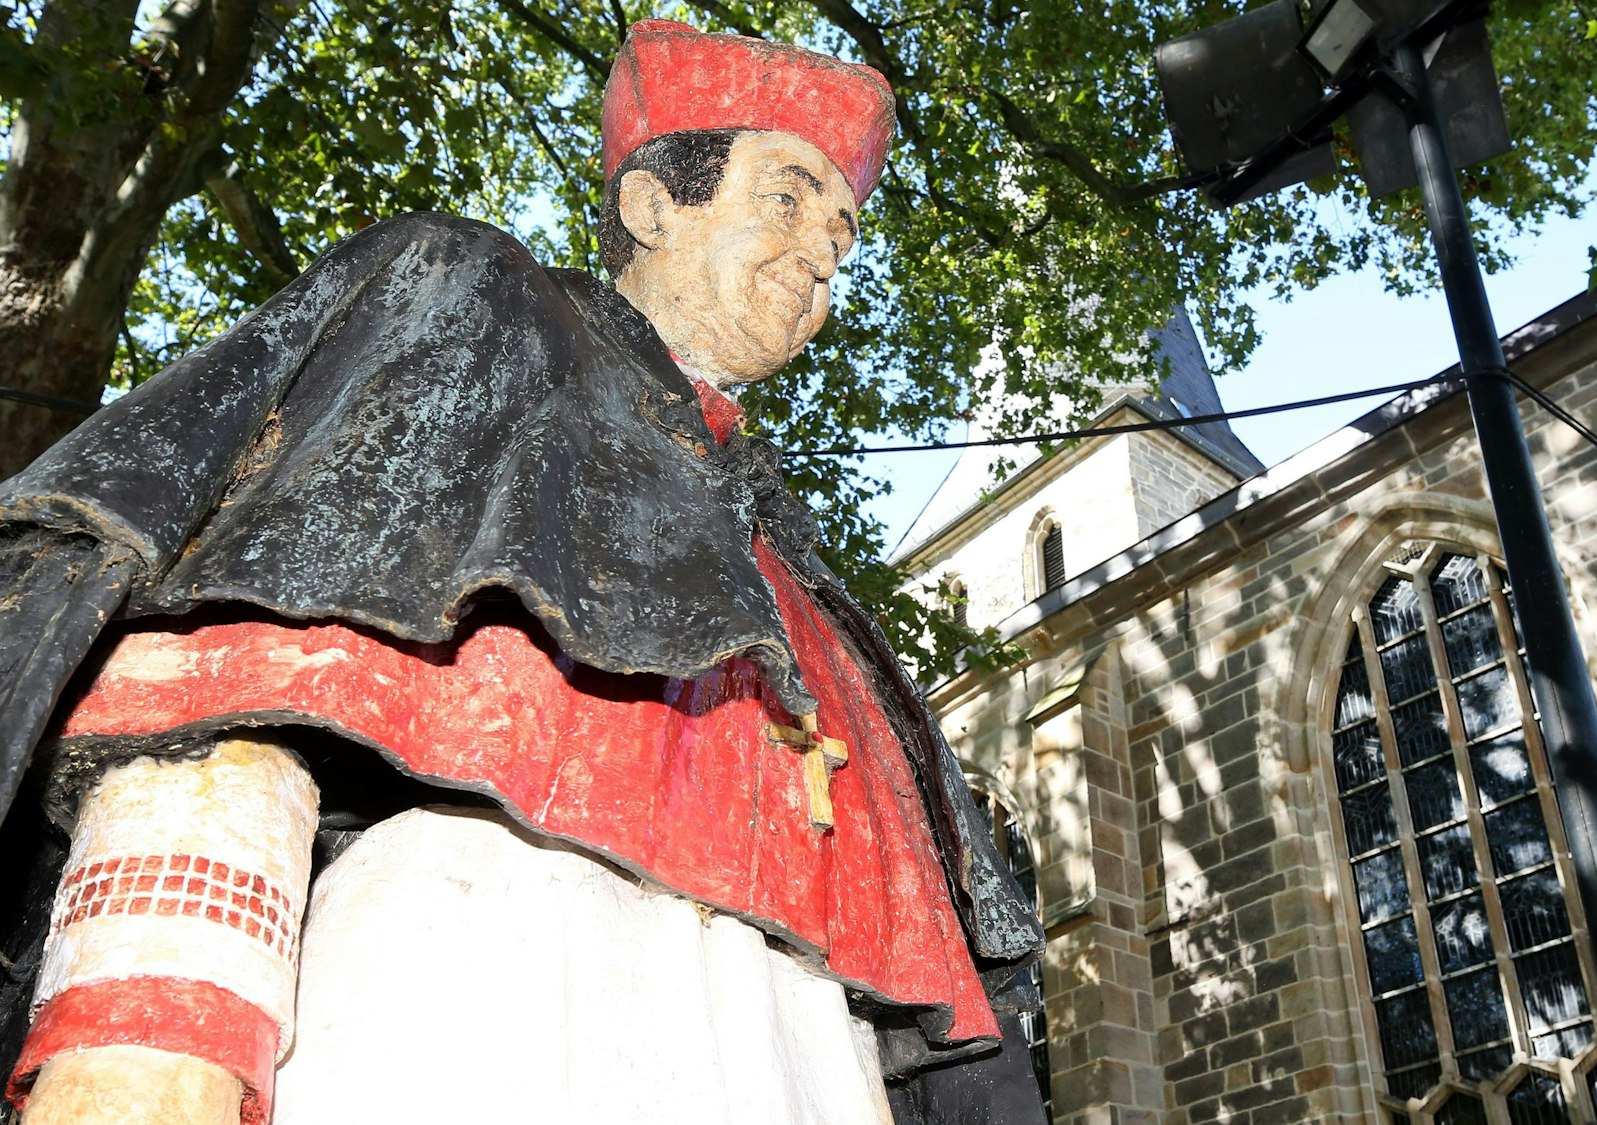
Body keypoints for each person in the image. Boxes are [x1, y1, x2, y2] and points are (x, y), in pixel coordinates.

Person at [0, 21, 1045, 1125]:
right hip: (475, 990)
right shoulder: (463, 303)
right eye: (787, 197)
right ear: (652, 206)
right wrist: (157, 1034)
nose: (823, 247)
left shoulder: (795, 564)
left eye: (841, 229)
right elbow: (228, 679)